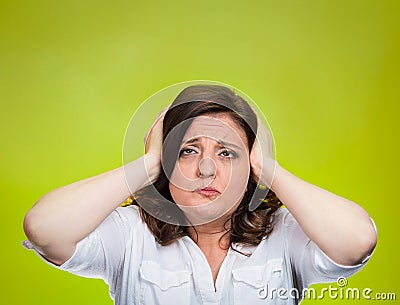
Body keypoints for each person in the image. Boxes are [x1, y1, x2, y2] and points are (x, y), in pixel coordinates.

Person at [23, 84, 377, 305]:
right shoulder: (132, 234)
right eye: (188, 151)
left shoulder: (284, 235)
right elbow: (43, 228)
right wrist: (148, 163)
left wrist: (268, 167)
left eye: (227, 153)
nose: (206, 170)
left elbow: (357, 240)